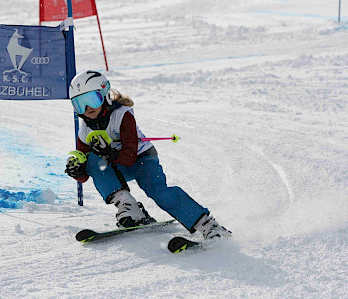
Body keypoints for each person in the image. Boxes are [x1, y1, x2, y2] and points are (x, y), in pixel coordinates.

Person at [65, 70, 231, 240]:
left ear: (105, 95)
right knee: (92, 160)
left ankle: (208, 225)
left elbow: (130, 157)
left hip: (142, 159)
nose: (87, 108)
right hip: (117, 164)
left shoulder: (122, 115)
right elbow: (86, 175)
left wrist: (109, 153)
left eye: (92, 100)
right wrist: (78, 170)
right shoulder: (84, 128)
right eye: (79, 104)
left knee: (158, 192)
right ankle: (129, 207)